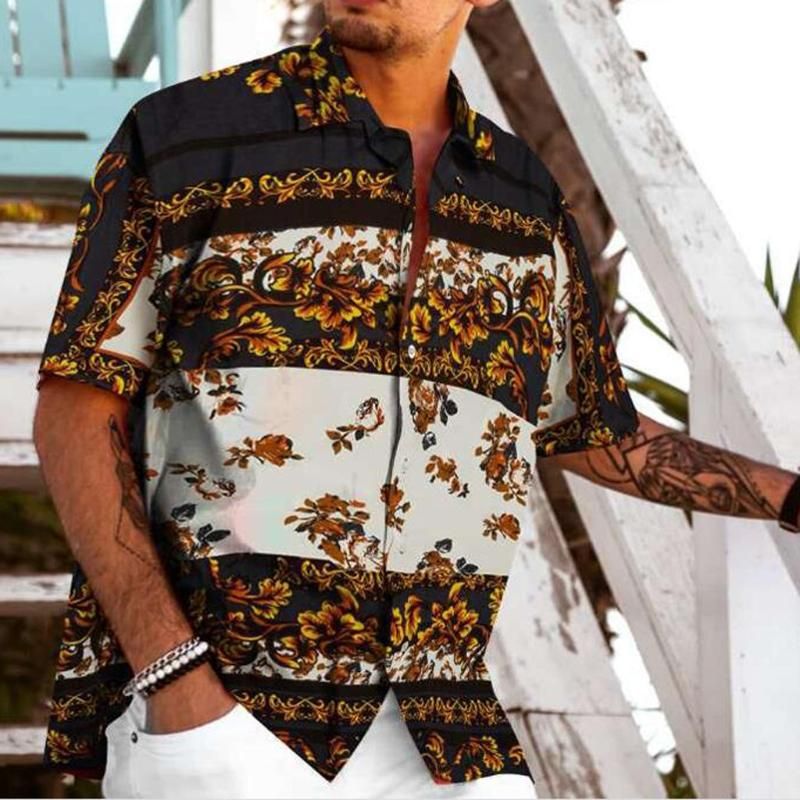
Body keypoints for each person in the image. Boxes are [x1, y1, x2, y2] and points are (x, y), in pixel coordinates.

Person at [32, 0, 800, 798]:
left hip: (447, 728)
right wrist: (174, 673)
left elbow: (592, 427)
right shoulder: (186, 137)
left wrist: (788, 496)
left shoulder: (525, 202)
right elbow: (77, 406)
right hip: (231, 711)